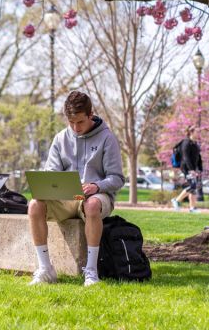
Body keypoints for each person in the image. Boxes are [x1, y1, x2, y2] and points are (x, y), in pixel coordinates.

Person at [28, 91, 125, 287]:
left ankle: (91, 271)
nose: (75, 127)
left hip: (96, 196)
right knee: (34, 205)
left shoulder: (107, 138)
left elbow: (117, 178)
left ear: (91, 115)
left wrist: (97, 185)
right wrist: (50, 184)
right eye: (71, 122)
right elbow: (52, 172)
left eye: (80, 122)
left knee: (92, 205)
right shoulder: (60, 138)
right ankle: (46, 269)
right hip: (66, 197)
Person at [171, 127, 203, 213]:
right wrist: (191, 169)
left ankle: (192, 208)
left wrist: (200, 169)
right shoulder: (186, 143)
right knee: (192, 186)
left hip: (193, 168)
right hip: (187, 168)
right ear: (191, 132)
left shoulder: (195, 143)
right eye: (197, 132)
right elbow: (186, 157)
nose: (198, 133)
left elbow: (198, 157)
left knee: (193, 187)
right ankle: (176, 200)